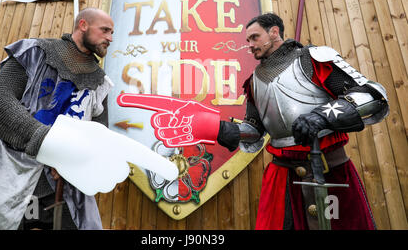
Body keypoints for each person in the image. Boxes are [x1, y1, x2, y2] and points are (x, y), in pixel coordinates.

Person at [118, 12, 389, 230]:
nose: (249, 44)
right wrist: (220, 129)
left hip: (328, 171)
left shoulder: (313, 58)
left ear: (274, 33)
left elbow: (372, 95)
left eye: (254, 37)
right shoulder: (254, 82)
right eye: (247, 39)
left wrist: (323, 115)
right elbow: (255, 131)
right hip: (283, 176)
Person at [0, 8, 177, 230]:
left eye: (112, 33)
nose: (110, 38)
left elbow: (96, 134)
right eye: (105, 30)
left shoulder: (101, 83)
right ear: (83, 25)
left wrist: (79, 160)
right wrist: (52, 144)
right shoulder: (33, 53)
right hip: (7, 177)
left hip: (61, 185)